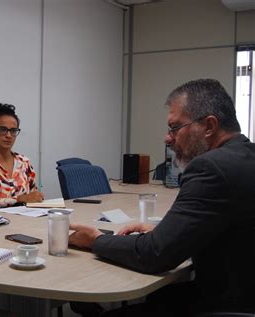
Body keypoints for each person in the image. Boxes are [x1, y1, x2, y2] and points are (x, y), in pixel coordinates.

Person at [69, 79, 255, 316]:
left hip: (228, 303)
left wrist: (95, 240)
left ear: (209, 126)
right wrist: (166, 233)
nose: (168, 139)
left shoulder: (210, 168)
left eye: (175, 127)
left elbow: (154, 255)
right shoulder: (245, 157)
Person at [0, 103, 44, 211]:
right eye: (3, 129)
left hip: (26, 220)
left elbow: (33, 197)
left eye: (13, 131)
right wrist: (19, 199)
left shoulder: (24, 162)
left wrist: (37, 198)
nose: (9, 135)